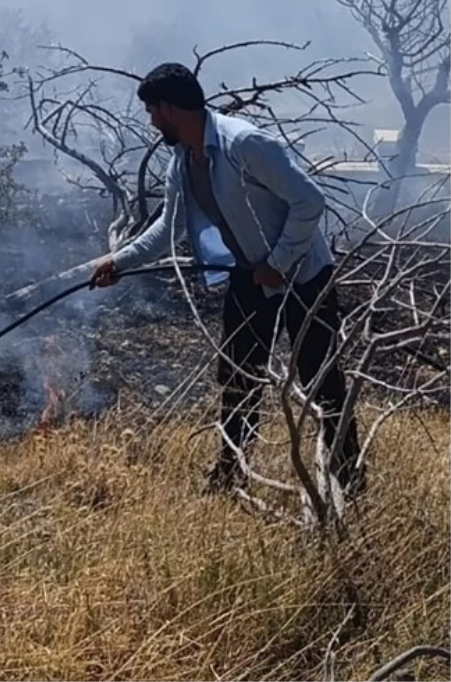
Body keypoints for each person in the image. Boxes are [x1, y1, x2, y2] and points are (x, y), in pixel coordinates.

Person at [90, 61, 364, 494]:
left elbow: (310, 201)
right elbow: (169, 227)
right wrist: (119, 262)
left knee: (320, 379)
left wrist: (280, 260)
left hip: (304, 276)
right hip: (250, 277)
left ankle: (347, 478)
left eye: (152, 111)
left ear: (168, 108)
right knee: (238, 375)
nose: (151, 120)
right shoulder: (182, 160)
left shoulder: (245, 144)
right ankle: (230, 474)